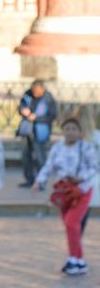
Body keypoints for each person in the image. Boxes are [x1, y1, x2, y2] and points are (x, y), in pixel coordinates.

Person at [34, 116, 99, 276]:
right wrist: (39, 181)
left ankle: (73, 258)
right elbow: (49, 166)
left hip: (81, 191)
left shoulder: (86, 148)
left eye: (73, 129)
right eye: (67, 129)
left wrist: (81, 178)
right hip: (64, 192)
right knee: (71, 226)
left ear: (80, 132)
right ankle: (79, 261)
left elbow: (94, 167)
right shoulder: (58, 148)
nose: (70, 132)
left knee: (72, 223)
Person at [17, 79, 57, 187]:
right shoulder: (27, 95)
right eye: (33, 90)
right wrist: (22, 110)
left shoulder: (49, 99)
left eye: (37, 91)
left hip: (41, 132)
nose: (35, 93)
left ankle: (41, 182)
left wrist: (36, 118)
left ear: (43, 89)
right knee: (26, 156)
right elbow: (20, 107)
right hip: (27, 131)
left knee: (40, 158)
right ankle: (29, 180)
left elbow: (52, 116)